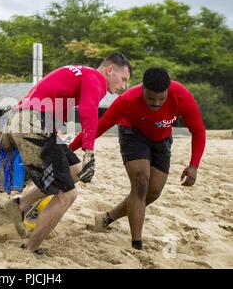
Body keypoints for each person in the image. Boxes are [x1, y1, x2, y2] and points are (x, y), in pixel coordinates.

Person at [2, 53, 132, 254]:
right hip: (32, 124)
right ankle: (30, 247)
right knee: (68, 194)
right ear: (109, 70)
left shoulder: (81, 71)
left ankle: (20, 205)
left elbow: (36, 92)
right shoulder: (95, 78)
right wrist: (89, 151)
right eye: (123, 79)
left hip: (24, 120)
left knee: (75, 170)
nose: (123, 86)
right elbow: (89, 110)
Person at [70, 68, 206, 250]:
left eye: (161, 99)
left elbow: (198, 130)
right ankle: (137, 244)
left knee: (153, 191)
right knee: (141, 183)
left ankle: (107, 217)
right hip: (132, 133)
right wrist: (68, 150)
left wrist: (194, 165)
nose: (156, 103)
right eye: (151, 98)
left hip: (162, 138)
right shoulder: (128, 99)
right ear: (143, 89)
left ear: (168, 90)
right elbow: (99, 126)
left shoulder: (182, 96)